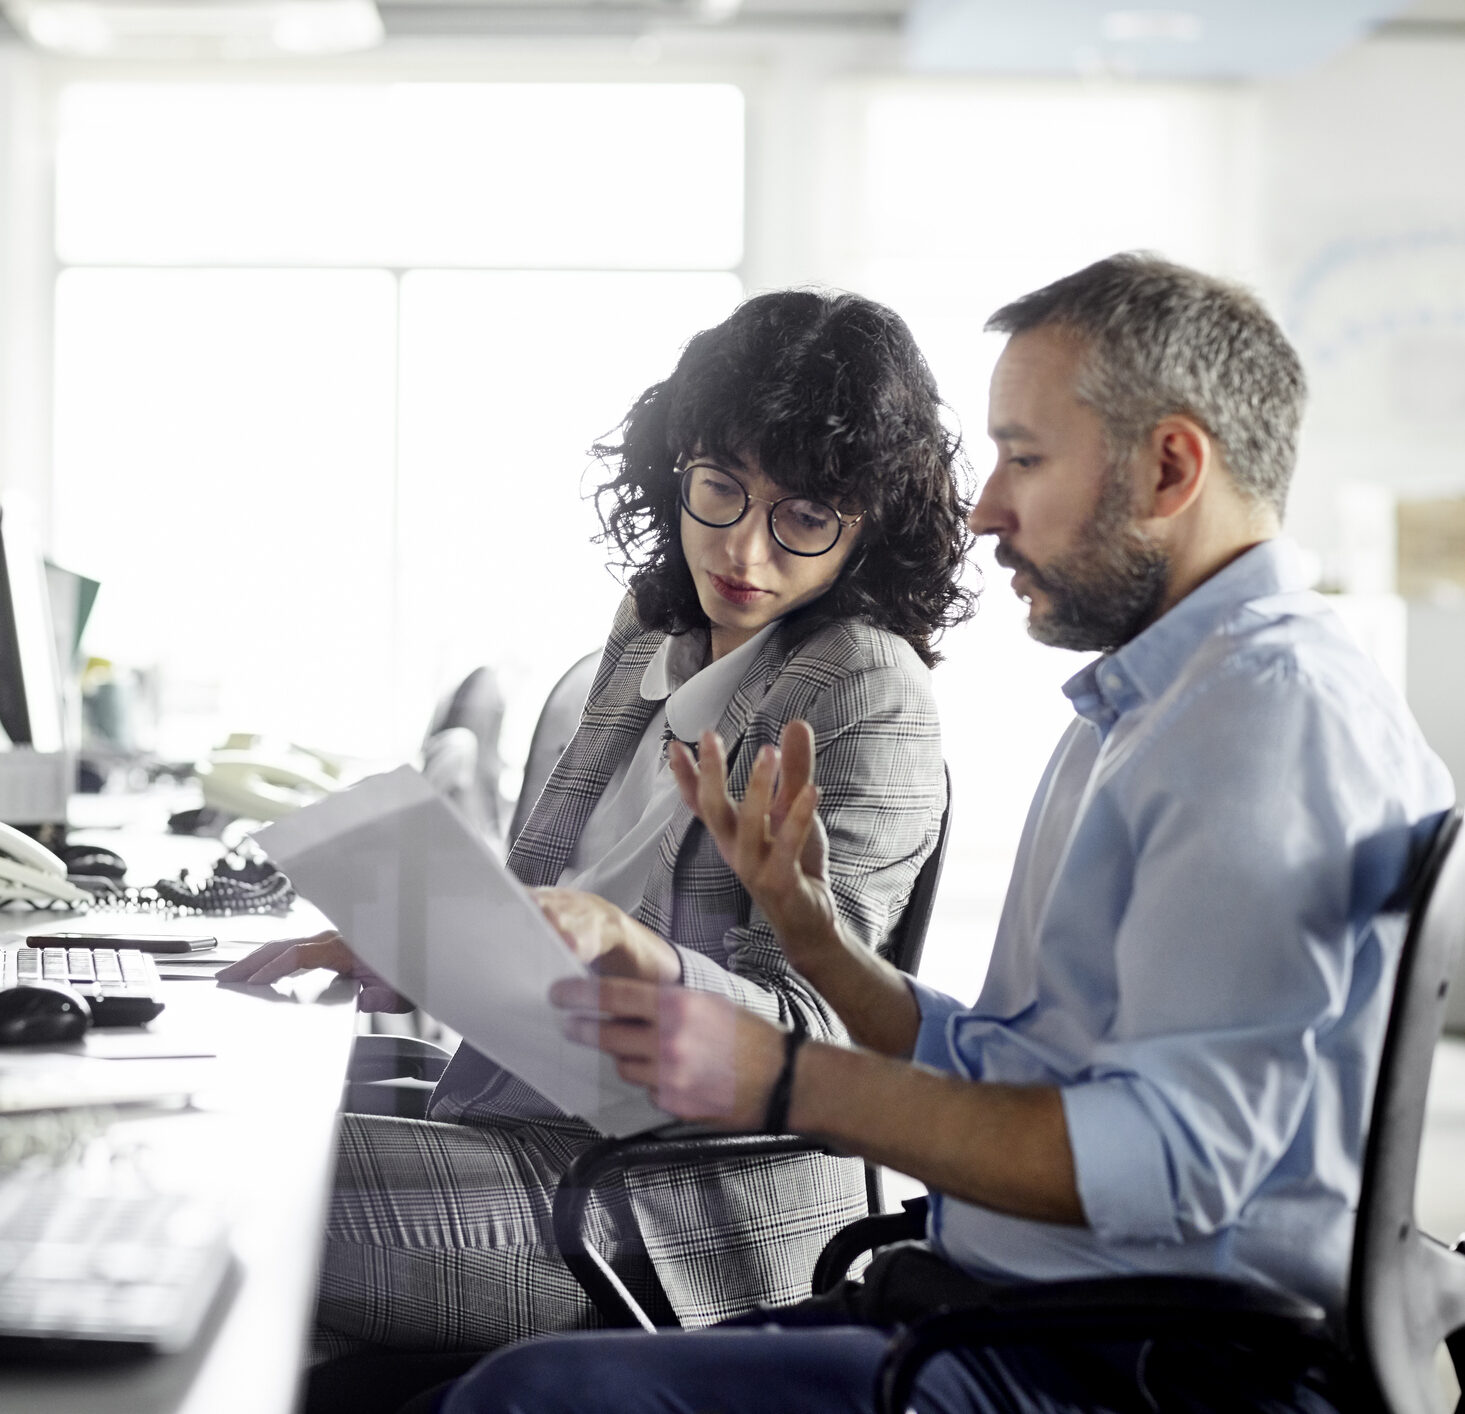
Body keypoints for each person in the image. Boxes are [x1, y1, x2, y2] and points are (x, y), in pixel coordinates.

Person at [440, 253, 1455, 1414]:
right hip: (1007, 1311)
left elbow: (1170, 1161)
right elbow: (1030, 1071)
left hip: (1131, 1368)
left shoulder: (1265, 721)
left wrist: (785, 1078)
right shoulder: (1166, 702)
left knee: (526, 1402)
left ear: (1171, 467)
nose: (983, 508)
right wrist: (821, 948)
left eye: (1024, 457)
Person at [220, 289, 975, 1353]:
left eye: (803, 516)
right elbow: (563, 904)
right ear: (679, 466)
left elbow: (833, 1028)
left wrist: (648, 962)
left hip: (673, 1207)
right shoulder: (649, 636)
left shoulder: (866, 688)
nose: (746, 553)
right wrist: (425, 943)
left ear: (871, 522)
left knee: (209, 1180)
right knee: (184, 1131)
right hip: (532, 1118)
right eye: (721, 488)